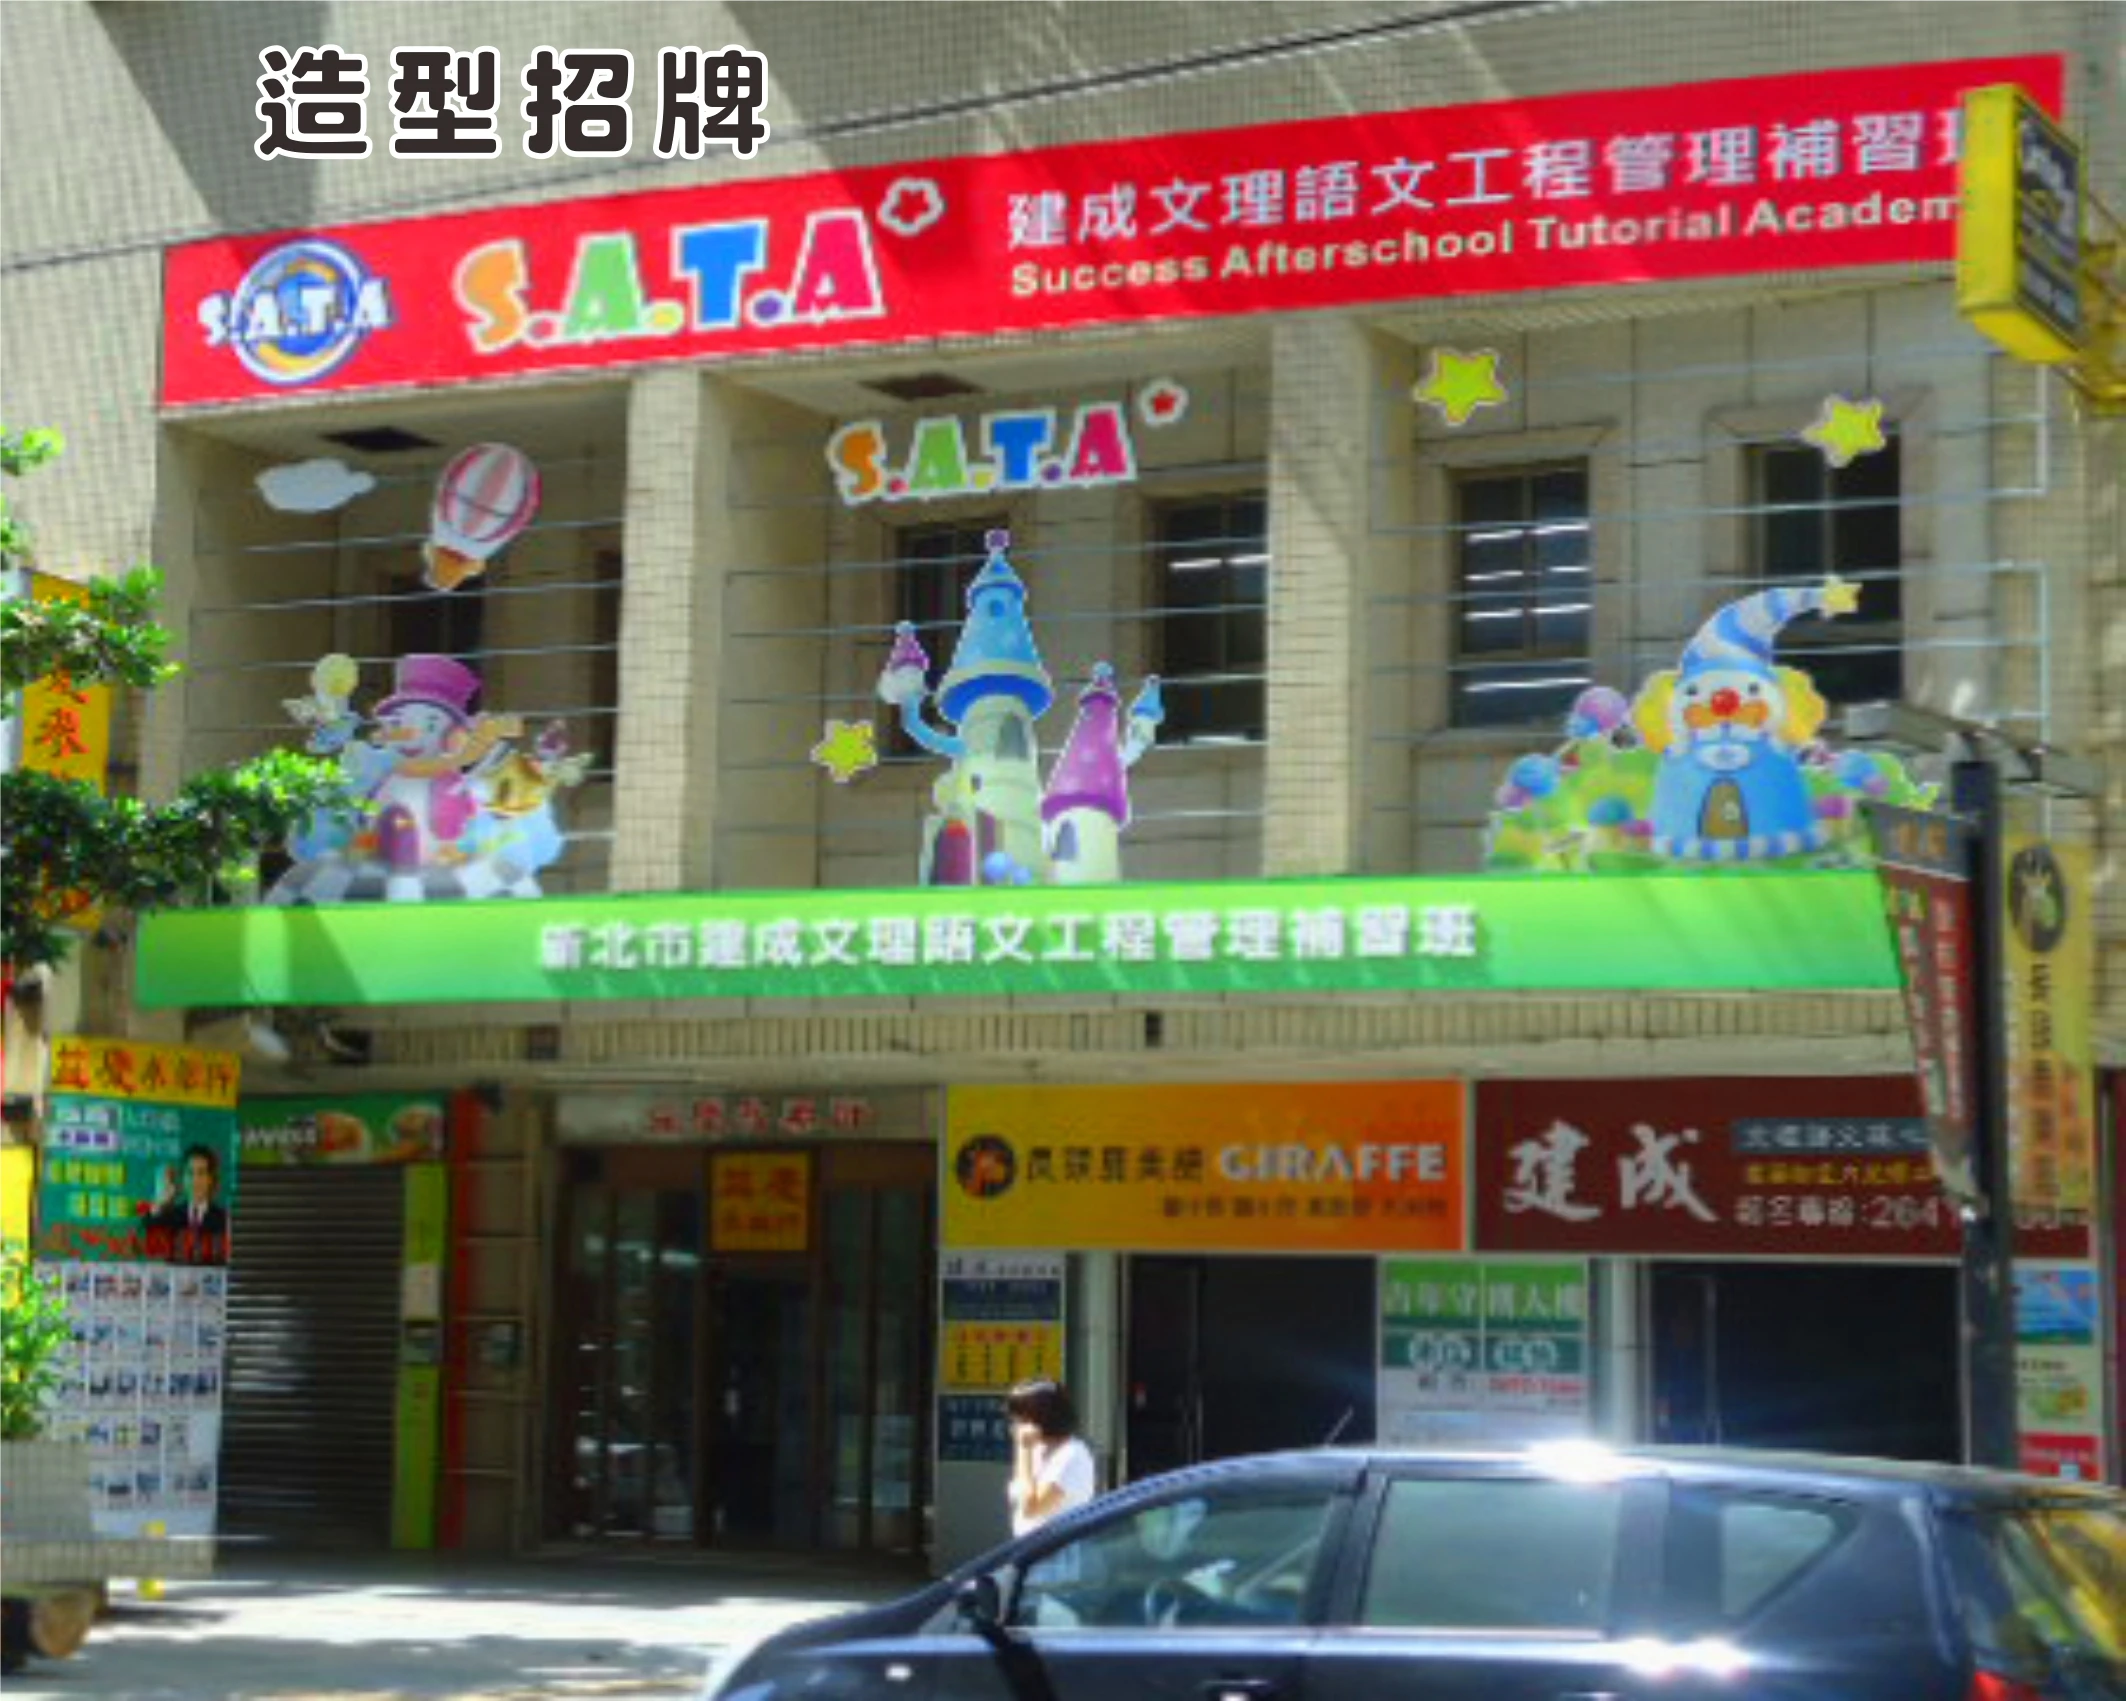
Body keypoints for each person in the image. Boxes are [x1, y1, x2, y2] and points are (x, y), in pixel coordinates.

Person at [1005, 1378, 1096, 1537]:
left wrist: (1024, 1449)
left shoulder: (1071, 1455)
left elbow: (1031, 1508)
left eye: (1021, 1419)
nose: (1016, 1426)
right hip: (1030, 1546)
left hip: (1058, 1549)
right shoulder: (1038, 1449)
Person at [148, 1144, 229, 1265]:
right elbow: (144, 1236)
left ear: (210, 1179)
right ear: (183, 1178)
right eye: (190, 1173)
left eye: (201, 1173)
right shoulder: (170, 1216)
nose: (195, 1180)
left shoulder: (224, 1219)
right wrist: (162, 1202)